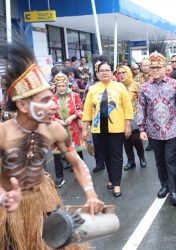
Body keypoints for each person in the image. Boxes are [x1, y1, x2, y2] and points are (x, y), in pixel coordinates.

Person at [0, 36, 103, 249]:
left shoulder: (54, 129)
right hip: (9, 210)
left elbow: (76, 162)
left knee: (57, 244)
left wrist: (91, 194)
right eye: (45, 101)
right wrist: (3, 196)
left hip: (44, 199)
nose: (54, 106)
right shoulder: (3, 134)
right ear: (22, 105)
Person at [138, 51, 176, 207]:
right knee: (159, 161)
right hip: (153, 130)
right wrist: (141, 128)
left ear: (165, 68)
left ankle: (173, 191)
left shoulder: (175, 84)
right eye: (152, 67)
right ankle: (164, 185)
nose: (155, 70)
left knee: (170, 160)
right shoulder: (144, 88)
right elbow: (141, 109)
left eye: (158, 67)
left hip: (172, 129)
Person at [82, 61, 133, 198]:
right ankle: (111, 177)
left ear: (112, 72)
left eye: (107, 70)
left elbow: (128, 107)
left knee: (116, 156)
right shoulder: (93, 89)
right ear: (97, 73)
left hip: (116, 129)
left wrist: (128, 125)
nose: (104, 72)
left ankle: (116, 184)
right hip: (98, 129)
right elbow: (87, 110)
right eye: (101, 70)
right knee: (105, 155)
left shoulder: (120, 87)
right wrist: (84, 128)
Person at [52, 71, 86, 188]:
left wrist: (73, 116)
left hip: (73, 128)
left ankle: (80, 173)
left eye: (63, 86)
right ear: (56, 86)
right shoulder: (52, 98)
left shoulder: (74, 95)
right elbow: (49, 114)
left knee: (76, 151)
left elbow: (81, 109)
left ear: (67, 85)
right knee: (57, 154)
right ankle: (59, 177)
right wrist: (58, 121)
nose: (61, 88)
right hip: (57, 130)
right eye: (59, 86)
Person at [116, 65, 146, 170]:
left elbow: (142, 102)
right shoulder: (117, 86)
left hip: (135, 115)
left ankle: (142, 158)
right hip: (121, 117)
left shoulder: (136, 85)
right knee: (126, 140)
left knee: (136, 139)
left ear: (128, 73)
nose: (121, 75)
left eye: (123, 72)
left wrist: (143, 117)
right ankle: (131, 161)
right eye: (119, 73)